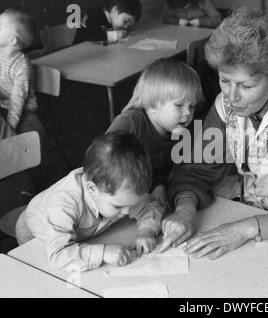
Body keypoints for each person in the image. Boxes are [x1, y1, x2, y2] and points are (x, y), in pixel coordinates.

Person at [159, 8, 268, 260]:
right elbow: (195, 168)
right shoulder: (226, 104)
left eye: (246, 86)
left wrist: (246, 228)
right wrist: (185, 209)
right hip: (241, 216)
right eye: (224, 80)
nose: (231, 96)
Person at [15, 131, 164, 272]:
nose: (127, 212)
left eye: (131, 205)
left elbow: (150, 205)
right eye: (118, 206)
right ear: (92, 189)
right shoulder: (64, 205)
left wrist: (146, 230)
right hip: (35, 231)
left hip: (80, 233)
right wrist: (103, 253)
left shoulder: (119, 192)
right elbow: (59, 254)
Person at [107, 58, 204, 212]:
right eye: (179, 105)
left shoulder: (175, 130)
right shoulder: (130, 122)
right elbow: (104, 157)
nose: (188, 113)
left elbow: (157, 167)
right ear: (152, 105)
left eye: (192, 106)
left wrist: (159, 187)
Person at [0, 9, 44, 139]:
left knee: (31, 135)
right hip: (2, 104)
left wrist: (10, 127)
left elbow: (17, 99)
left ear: (12, 41)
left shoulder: (22, 65)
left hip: (23, 109)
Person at [74, 0, 142, 44]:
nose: (126, 26)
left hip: (97, 51)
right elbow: (92, 35)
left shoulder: (113, 19)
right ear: (115, 10)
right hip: (79, 51)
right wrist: (115, 35)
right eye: (125, 21)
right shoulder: (94, 14)